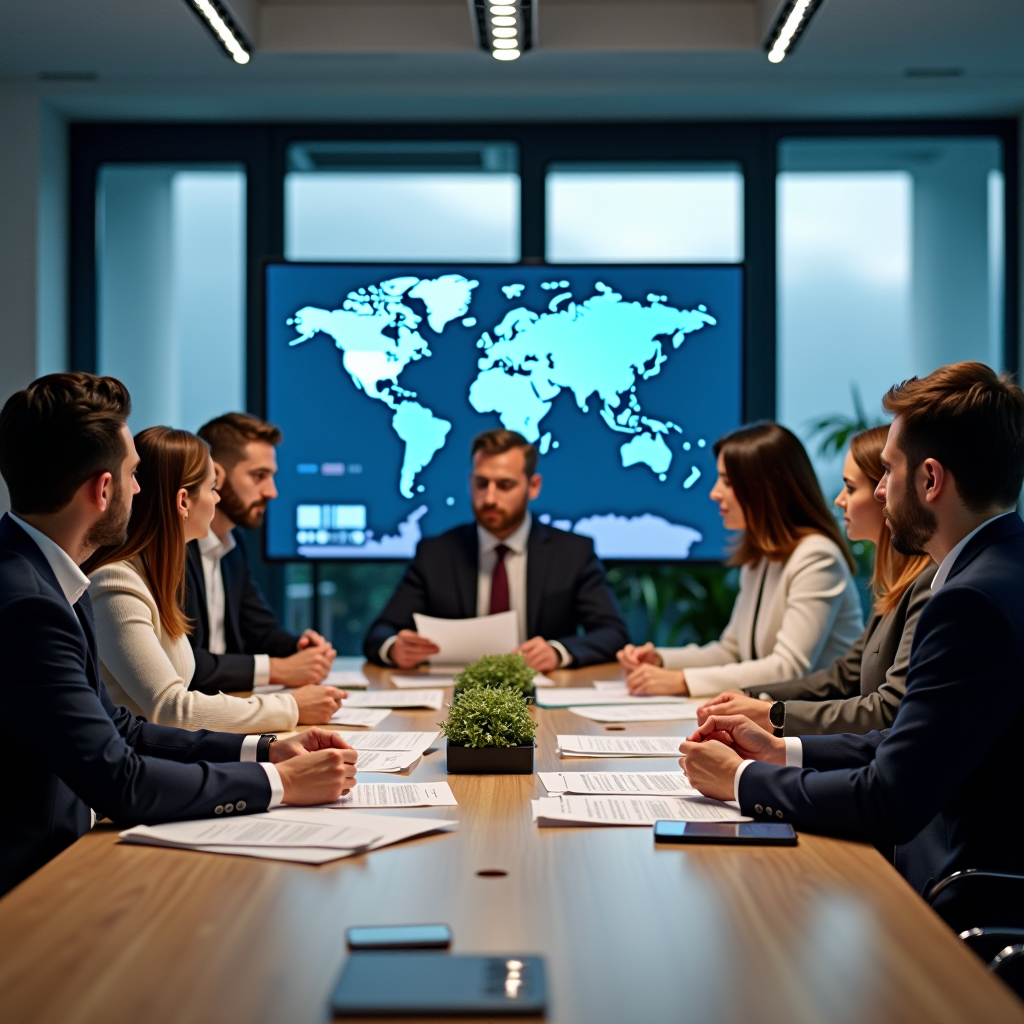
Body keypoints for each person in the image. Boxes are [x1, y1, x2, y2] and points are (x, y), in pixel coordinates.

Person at [0, 374, 357, 896]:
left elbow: (122, 727)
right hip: (35, 889)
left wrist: (265, 750)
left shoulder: (43, 577)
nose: (141, 490)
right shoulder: (30, 603)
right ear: (103, 490)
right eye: (132, 474)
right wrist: (280, 784)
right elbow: (121, 781)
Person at [681, 362, 1024, 892]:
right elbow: (906, 743)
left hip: (951, 898)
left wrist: (741, 780)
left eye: (887, 471)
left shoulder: (969, 601)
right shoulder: (998, 570)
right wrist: (780, 749)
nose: (879, 490)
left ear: (930, 479)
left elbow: (891, 796)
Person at [86, 427, 343, 732]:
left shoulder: (156, 575)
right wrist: (292, 706)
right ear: (184, 501)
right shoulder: (115, 582)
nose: (217, 499)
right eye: (212, 489)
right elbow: (171, 708)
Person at [695, 425, 935, 735]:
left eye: (849, 487)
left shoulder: (920, 582)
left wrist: (771, 712)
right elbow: (843, 675)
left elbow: (885, 708)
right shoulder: (896, 582)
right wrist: (756, 699)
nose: (838, 500)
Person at [617, 422, 863, 697]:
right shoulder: (761, 557)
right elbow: (732, 651)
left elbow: (789, 668)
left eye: (729, 482)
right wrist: (662, 661)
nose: (715, 492)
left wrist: (682, 681)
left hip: (817, 725)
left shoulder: (817, 557)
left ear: (766, 489)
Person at [363, 429, 628, 671]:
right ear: (470, 482)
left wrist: (558, 652)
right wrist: (394, 648)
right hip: (456, 696)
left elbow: (612, 633)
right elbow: (380, 633)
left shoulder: (573, 553)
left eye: (504, 485)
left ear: (533, 486)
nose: (490, 498)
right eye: (481, 484)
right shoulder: (436, 554)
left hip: (540, 695)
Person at [184, 412, 335, 695]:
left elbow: (260, 630)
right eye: (259, 476)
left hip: (228, 705)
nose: (272, 492)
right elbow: (183, 663)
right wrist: (278, 669)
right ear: (216, 475)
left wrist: (302, 649)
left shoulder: (234, 545)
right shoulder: (174, 551)